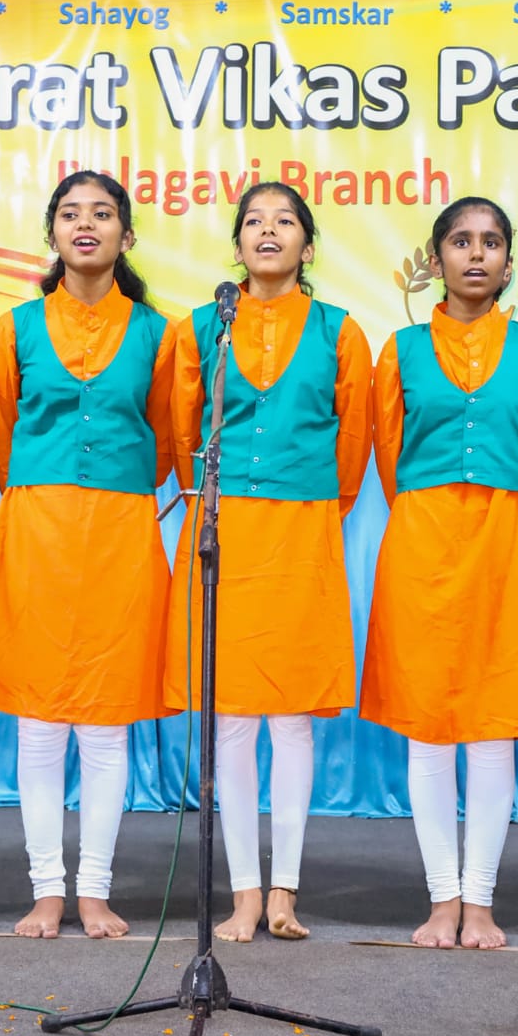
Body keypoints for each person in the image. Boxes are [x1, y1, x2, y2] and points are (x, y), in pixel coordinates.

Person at [0, 172, 175, 939]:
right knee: (41, 723)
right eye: (71, 214)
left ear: (126, 235)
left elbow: (165, 438)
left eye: (103, 213)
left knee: (108, 723)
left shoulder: (158, 333)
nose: (86, 224)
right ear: (52, 233)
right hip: (37, 531)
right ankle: (47, 889)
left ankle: (95, 891)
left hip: (121, 530)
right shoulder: (13, 328)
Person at [361, 197, 518, 949]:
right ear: (437, 258)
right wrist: (436, 507)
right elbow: (389, 454)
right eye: (460, 241)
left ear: (509, 263)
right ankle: (441, 899)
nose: (476, 254)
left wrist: (499, 503)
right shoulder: (401, 350)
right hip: (421, 543)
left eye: (490, 242)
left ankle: (479, 900)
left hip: (509, 545)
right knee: (427, 728)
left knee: (494, 727)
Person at [164, 182, 373, 942]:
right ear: (236, 246)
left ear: (307, 247)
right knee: (230, 720)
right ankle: (244, 895)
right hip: (223, 529)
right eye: (254, 221)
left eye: (285, 222)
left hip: (302, 529)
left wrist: (310, 503)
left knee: (291, 718)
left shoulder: (339, 331)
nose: (268, 231)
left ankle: (285, 890)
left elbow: (354, 442)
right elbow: (181, 428)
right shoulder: (202, 327)